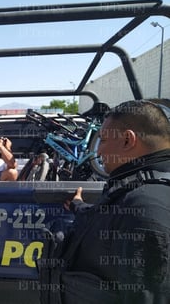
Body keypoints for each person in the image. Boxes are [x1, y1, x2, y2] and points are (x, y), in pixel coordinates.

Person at [39, 99, 170, 304]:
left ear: (128, 140)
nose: (98, 152)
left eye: (104, 140)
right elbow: (109, 219)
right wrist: (78, 206)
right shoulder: (138, 192)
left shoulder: (146, 208)